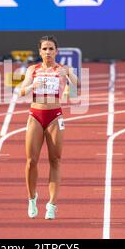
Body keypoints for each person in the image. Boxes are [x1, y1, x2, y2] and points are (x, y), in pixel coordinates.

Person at [19, 36, 78, 220]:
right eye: (44, 49)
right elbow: (21, 91)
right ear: (40, 52)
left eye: (51, 49)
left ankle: (52, 204)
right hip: (35, 115)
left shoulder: (63, 69)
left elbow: (80, 86)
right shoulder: (33, 69)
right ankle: (31, 198)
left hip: (55, 116)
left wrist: (69, 75)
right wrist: (31, 86)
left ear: (56, 51)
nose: (48, 52)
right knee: (31, 161)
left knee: (55, 160)